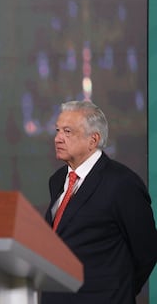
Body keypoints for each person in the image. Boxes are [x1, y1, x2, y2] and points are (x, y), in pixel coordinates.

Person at [41, 100, 157, 304]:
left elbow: (146, 252)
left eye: (68, 132)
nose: (58, 138)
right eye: (58, 130)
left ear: (93, 140)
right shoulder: (57, 180)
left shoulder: (122, 183)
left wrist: (118, 292)